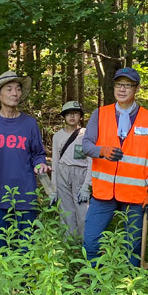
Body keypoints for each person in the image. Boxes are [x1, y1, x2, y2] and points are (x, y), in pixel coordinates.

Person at [82, 67, 148, 267]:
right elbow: (86, 145)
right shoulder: (100, 114)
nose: (122, 89)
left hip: (135, 194)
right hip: (103, 193)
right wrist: (102, 151)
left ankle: (129, 285)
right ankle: (94, 280)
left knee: (132, 246)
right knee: (91, 240)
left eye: (127, 85)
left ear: (136, 89)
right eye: (118, 85)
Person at [0, 71, 50, 248]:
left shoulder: (30, 124)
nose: (15, 93)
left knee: (26, 249)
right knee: (0, 249)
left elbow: (38, 153)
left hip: (25, 197)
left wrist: (41, 164)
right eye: (9, 89)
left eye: (18, 89)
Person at [51, 101, 92, 239]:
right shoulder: (57, 136)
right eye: (68, 114)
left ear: (80, 116)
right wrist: (53, 189)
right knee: (65, 210)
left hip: (80, 173)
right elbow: (55, 162)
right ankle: (69, 245)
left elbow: (91, 160)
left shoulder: (87, 134)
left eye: (75, 113)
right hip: (62, 172)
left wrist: (87, 185)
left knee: (82, 210)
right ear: (64, 117)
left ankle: (85, 244)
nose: (72, 116)